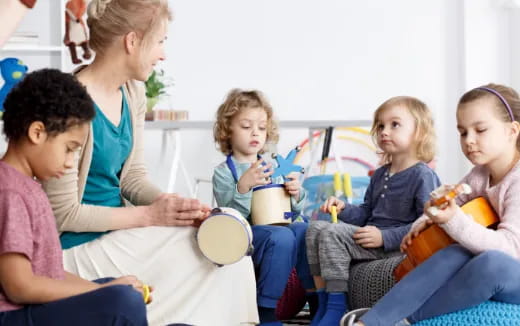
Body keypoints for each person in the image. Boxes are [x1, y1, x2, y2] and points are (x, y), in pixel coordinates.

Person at [41, 1, 258, 325]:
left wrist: (172, 205)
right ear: (132, 41)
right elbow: (63, 214)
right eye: (160, 42)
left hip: (120, 233)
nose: (163, 55)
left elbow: (133, 178)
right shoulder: (68, 103)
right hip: (77, 247)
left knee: (231, 249)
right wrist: (149, 215)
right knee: (218, 259)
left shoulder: (132, 92)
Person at [348, 84, 520, 326]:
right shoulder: (479, 174)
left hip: (510, 271)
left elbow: (511, 249)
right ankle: (369, 322)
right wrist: (422, 223)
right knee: (454, 252)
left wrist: (452, 220)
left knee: (491, 263)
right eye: (462, 132)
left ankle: (407, 319)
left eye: (480, 130)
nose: (469, 140)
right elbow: (443, 207)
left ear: (512, 131)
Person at [0, 68, 148, 325]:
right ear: (37, 133)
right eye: (69, 150)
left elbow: (51, 274)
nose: (71, 164)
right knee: (122, 301)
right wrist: (105, 293)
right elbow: (19, 287)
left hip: (30, 309)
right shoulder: (9, 192)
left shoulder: (31, 188)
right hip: (12, 315)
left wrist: (109, 287)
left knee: (120, 291)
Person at [306, 96, 441, 326]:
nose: (384, 131)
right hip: (371, 240)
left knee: (331, 233)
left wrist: (384, 237)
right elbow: (366, 214)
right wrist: (345, 209)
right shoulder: (380, 174)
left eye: (394, 124)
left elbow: (427, 223)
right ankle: (322, 302)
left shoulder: (422, 175)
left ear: (419, 132)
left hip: (397, 248)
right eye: (380, 126)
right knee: (315, 228)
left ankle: (337, 307)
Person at [212, 89, 314, 326]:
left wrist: (295, 193)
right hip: (245, 235)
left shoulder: (273, 166)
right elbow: (230, 216)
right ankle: (265, 309)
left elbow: (291, 211)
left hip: (278, 229)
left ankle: (315, 298)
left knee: (304, 231)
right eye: (246, 126)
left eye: (260, 127)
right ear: (228, 130)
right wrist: (243, 187)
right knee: (281, 237)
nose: (255, 133)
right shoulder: (224, 172)